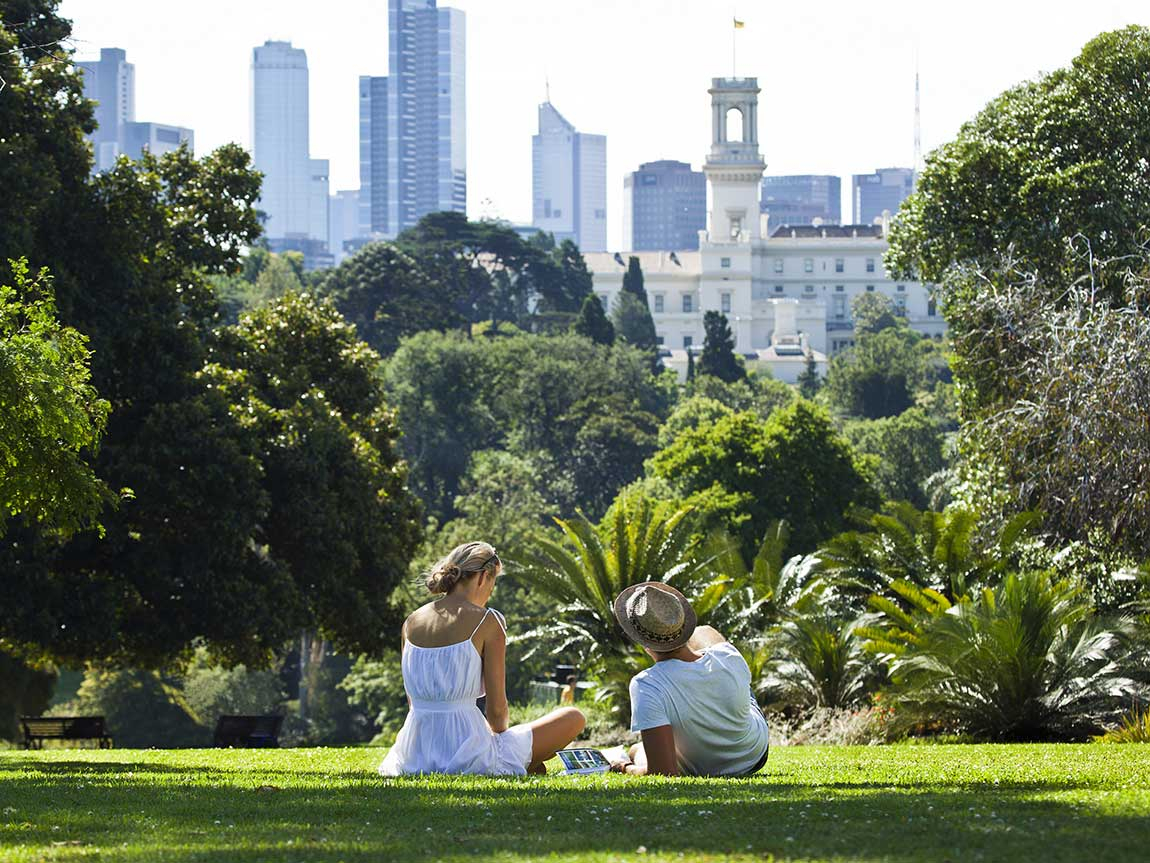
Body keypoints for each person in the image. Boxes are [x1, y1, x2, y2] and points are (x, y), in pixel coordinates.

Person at [379, 541, 585, 776]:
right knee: (573, 717)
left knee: (530, 753)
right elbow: (497, 717)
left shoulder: (411, 622)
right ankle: (528, 764)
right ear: (482, 577)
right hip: (470, 752)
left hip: (413, 753)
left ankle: (530, 764)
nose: (490, 592)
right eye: (493, 583)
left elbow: (413, 703)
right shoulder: (487, 622)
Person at [608, 581, 770, 777]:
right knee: (705, 632)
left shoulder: (646, 684)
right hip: (753, 755)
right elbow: (706, 633)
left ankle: (634, 751)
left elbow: (663, 773)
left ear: (641, 641)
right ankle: (636, 749)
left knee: (637, 751)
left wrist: (623, 766)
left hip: (706, 768)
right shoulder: (728, 654)